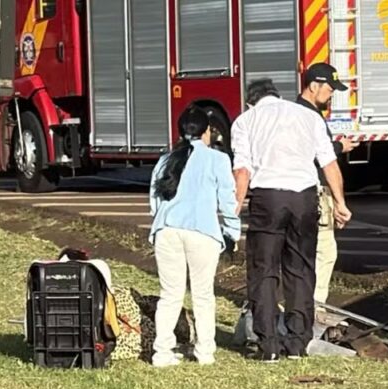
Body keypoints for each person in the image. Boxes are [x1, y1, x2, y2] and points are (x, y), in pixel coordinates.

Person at [231, 79, 352, 362]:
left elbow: (242, 170)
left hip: (268, 197)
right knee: (300, 269)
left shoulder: (245, 121)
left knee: (264, 270)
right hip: (304, 198)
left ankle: (269, 344)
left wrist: (234, 207)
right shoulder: (308, 116)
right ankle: (297, 342)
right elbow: (329, 163)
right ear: (277, 96)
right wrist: (340, 203)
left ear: (251, 101)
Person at [148, 106, 241, 367]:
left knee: (170, 294)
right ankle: (204, 352)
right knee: (202, 295)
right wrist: (232, 232)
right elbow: (227, 201)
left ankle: (162, 352)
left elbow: (154, 202)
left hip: (166, 231)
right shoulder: (218, 160)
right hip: (203, 233)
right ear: (206, 131)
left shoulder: (166, 159)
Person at [295, 63, 359, 308]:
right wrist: (340, 203)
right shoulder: (310, 116)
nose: (332, 94)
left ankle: (299, 303)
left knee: (302, 251)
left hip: (295, 193)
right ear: (313, 86)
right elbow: (324, 161)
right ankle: (314, 307)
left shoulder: (295, 112)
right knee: (324, 251)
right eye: (330, 88)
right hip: (315, 192)